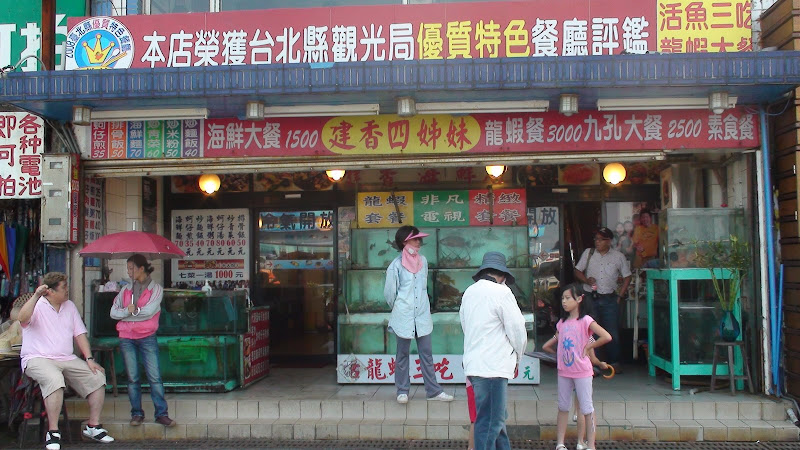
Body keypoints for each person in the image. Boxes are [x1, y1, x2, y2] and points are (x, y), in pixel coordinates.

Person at [18, 272, 115, 450]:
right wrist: (36, 295)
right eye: (64, 287)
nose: (67, 290)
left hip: (66, 358)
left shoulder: (69, 306)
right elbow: (22, 318)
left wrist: (89, 359)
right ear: (51, 291)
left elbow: (80, 334)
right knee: (55, 379)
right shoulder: (37, 305)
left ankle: (93, 426)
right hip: (37, 358)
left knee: (97, 376)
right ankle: (53, 432)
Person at [460, 251, 527, 450]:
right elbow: (517, 331)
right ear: (503, 276)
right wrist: (518, 358)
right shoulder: (502, 293)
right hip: (494, 367)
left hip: (474, 366)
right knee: (491, 423)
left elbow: (465, 325)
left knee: (494, 421)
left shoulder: (469, 292)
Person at [384, 226, 453, 403]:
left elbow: (423, 288)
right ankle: (402, 391)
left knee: (426, 354)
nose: (418, 242)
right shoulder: (395, 265)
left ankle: (433, 391)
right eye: (415, 239)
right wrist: (401, 307)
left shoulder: (423, 261)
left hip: (422, 315)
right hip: (403, 316)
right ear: (404, 242)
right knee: (402, 354)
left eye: (419, 239)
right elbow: (390, 294)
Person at [542, 283, 612, 450]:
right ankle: (560, 443)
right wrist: (558, 355)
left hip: (582, 371)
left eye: (568, 298)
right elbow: (551, 344)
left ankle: (591, 445)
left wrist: (588, 347)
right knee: (563, 407)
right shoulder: (561, 323)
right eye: (562, 298)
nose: (564, 302)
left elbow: (606, 336)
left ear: (579, 299)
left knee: (587, 408)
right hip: (564, 371)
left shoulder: (586, 320)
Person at [110, 254, 176, 427]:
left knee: (155, 377)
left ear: (141, 268)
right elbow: (113, 312)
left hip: (147, 336)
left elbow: (149, 312)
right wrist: (127, 312)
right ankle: (136, 413)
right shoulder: (126, 290)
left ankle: (161, 414)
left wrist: (128, 313)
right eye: (128, 269)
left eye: (131, 268)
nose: (129, 272)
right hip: (126, 338)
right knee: (132, 378)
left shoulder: (156, 289)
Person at [573, 227, 631, 372]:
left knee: (611, 332)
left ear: (609, 241)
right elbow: (577, 270)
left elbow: (627, 277)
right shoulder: (589, 253)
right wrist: (586, 280)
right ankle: (594, 364)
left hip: (610, 299)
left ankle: (614, 362)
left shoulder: (618, 256)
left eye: (601, 239)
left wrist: (620, 296)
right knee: (591, 332)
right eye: (596, 239)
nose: (597, 242)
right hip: (590, 298)